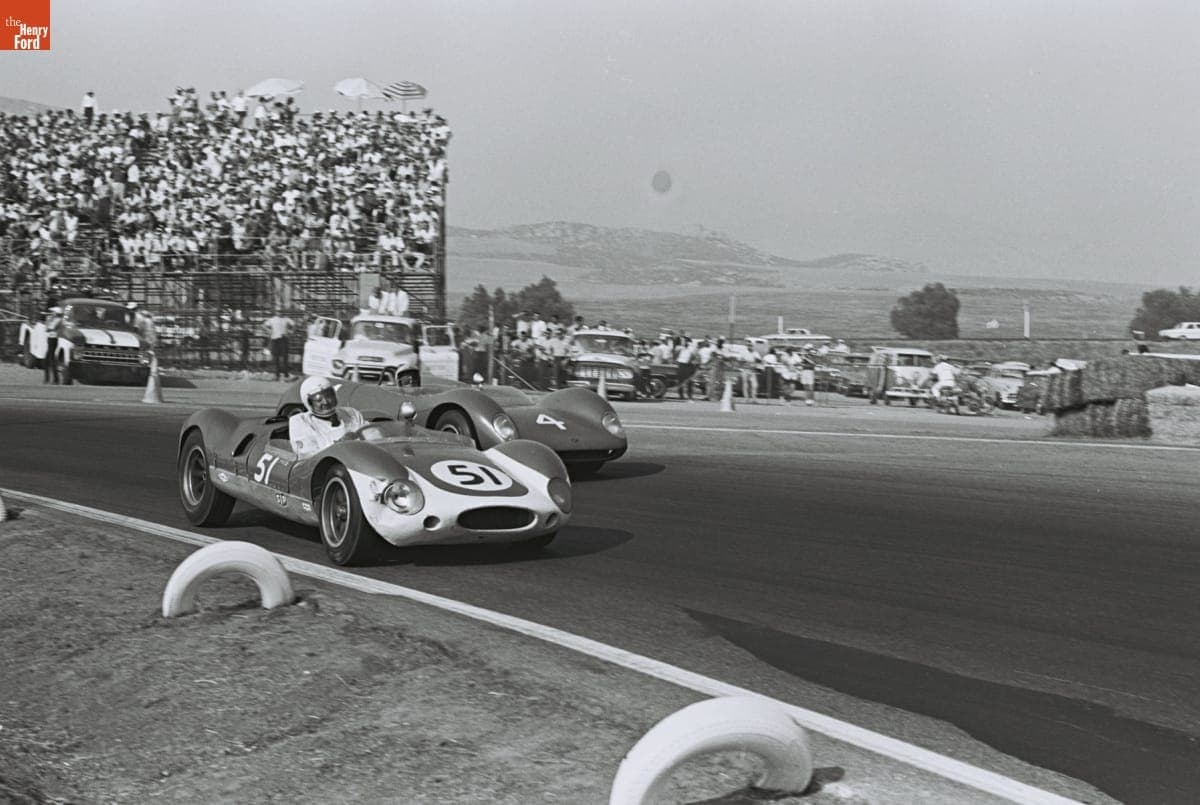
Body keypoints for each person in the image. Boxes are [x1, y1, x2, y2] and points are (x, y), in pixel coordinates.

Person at [289, 376, 367, 459]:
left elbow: (372, 435)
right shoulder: (300, 422)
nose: (325, 402)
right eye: (318, 400)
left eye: (329, 396)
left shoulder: (351, 413)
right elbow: (308, 456)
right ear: (309, 403)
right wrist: (342, 443)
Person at [264, 309, 294, 381]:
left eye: (280, 311)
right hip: (275, 339)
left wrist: (290, 332)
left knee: (284, 357)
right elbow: (264, 325)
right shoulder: (272, 319)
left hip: (283, 339)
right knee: (276, 357)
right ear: (275, 312)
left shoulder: (286, 319)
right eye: (278, 311)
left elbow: (293, 324)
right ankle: (277, 374)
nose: (279, 312)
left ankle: (286, 374)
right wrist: (269, 331)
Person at [44, 306, 63, 384]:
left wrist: (49, 320)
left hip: (53, 339)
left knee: (51, 359)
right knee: (48, 359)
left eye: (53, 312)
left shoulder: (58, 320)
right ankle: (48, 379)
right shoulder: (54, 319)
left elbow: (49, 328)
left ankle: (55, 379)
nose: (51, 313)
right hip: (50, 338)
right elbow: (46, 329)